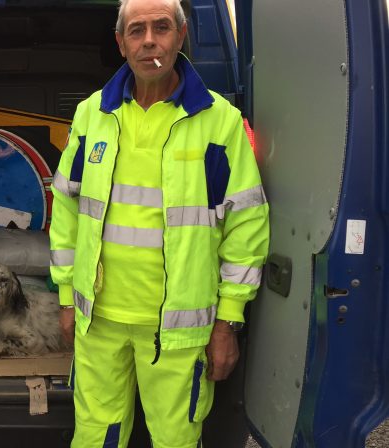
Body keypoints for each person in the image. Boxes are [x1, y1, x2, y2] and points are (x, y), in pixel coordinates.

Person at [49, 0, 270, 446]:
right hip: (100, 323)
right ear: (120, 43)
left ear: (180, 36)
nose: (149, 40)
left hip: (179, 332)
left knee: (175, 440)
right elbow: (67, 210)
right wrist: (67, 298)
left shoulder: (219, 122)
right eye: (136, 30)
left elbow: (246, 226)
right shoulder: (93, 115)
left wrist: (228, 323)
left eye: (161, 27)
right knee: (94, 439)